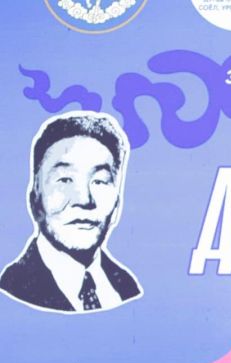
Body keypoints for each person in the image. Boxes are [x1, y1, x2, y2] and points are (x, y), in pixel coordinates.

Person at [0, 111, 140, 313]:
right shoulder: (12, 289)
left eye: (99, 181)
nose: (84, 200)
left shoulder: (127, 287)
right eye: (65, 180)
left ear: (117, 205)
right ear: (35, 200)